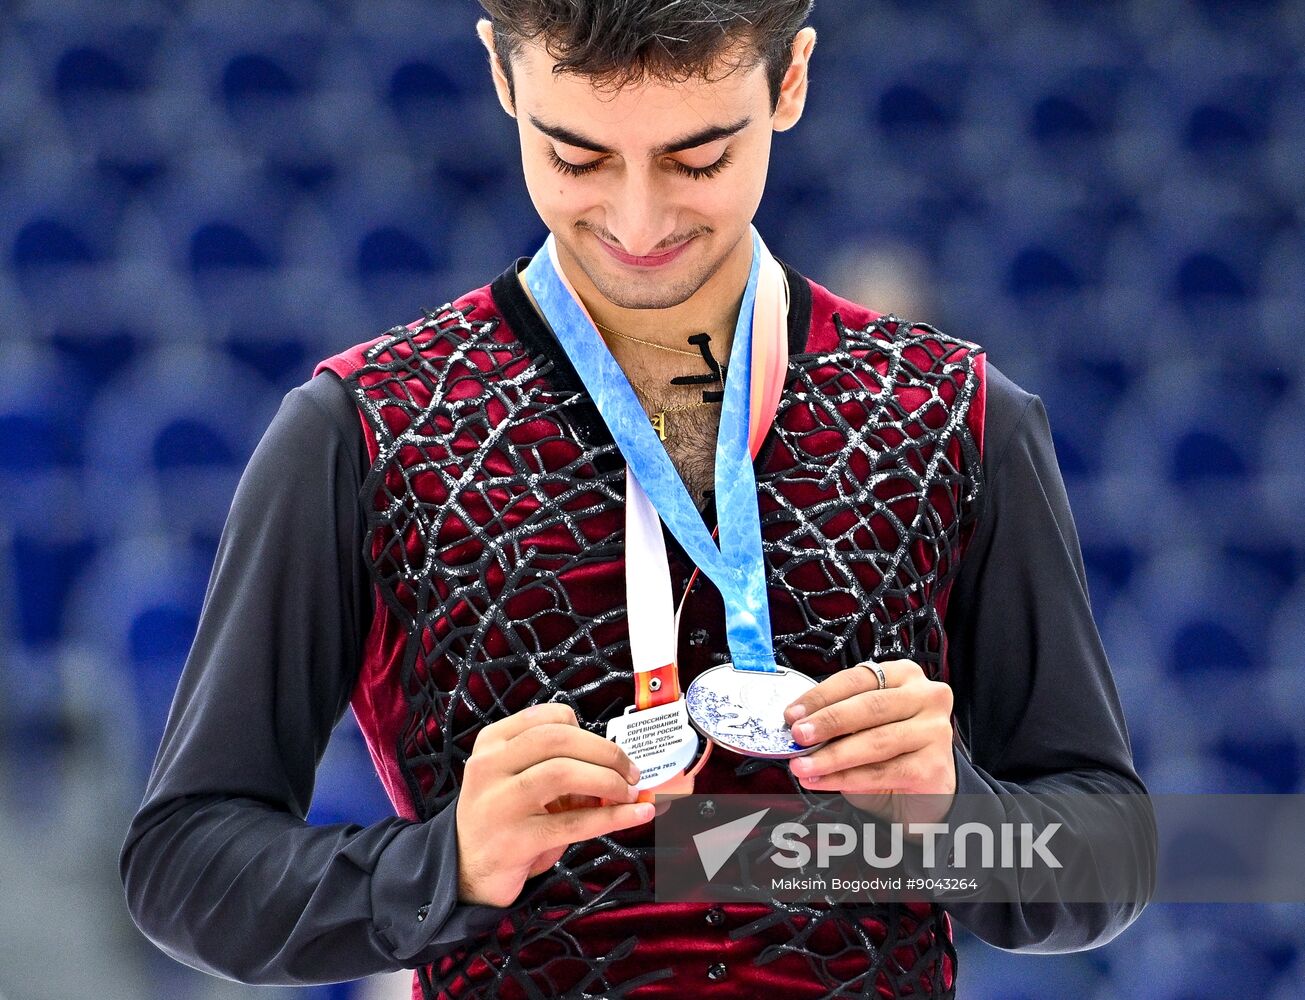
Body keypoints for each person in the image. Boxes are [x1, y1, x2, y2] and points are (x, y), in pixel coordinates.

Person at [120, 2, 1155, 997]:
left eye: (697, 158)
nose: (637, 220)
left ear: (790, 79)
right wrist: (444, 866)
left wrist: (955, 814)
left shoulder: (954, 416)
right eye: (576, 157)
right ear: (500, 76)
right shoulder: (365, 430)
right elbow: (182, 867)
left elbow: (1111, 854)